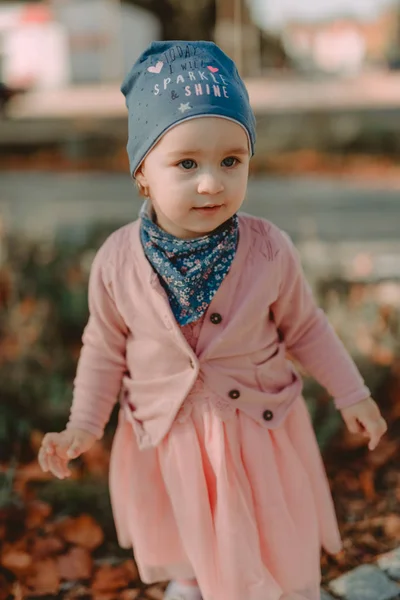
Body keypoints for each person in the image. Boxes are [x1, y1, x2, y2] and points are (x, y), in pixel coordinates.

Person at [38, 41, 388, 600]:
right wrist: (83, 426)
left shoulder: (268, 249)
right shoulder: (117, 261)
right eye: (186, 163)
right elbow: (103, 348)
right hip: (169, 436)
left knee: (267, 530)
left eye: (231, 160)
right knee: (184, 525)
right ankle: (191, 582)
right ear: (142, 174)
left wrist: (353, 394)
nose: (211, 182)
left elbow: (307, 326)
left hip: (257, 429)